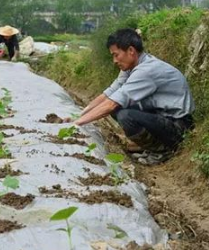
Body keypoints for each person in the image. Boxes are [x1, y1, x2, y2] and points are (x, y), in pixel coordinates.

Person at [70, 28, 195, 165]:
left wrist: (77, 124)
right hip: (162, 118)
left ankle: (162, 151)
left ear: (131, 51)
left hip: (179, 127)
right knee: (119, 109)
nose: (114, 60)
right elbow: (110, 93)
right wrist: (80, 115)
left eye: (116, 55)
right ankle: (150, 145)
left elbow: (111, 103)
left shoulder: (146, 71)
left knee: (125, 115)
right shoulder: (133, 66)